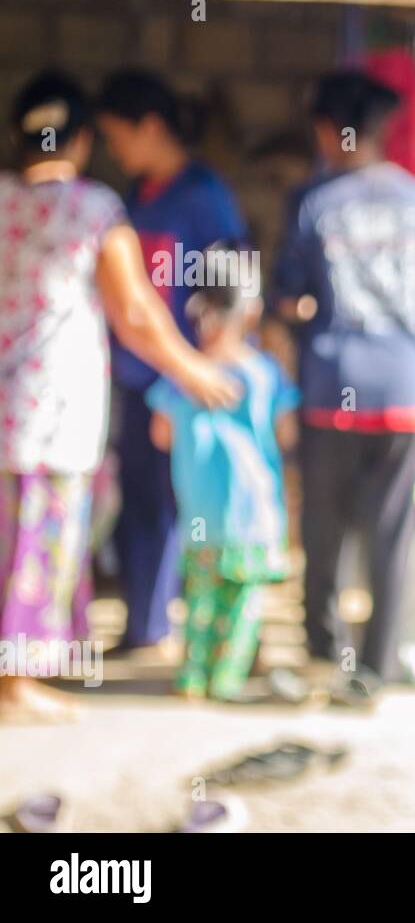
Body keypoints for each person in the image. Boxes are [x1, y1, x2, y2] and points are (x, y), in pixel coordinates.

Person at [0, 72, 237, 723]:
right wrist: (192, 369)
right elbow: (134, 308)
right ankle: (15, 685)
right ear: (79, 140)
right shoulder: (94, 207)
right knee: (38, 543)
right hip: (51, 412)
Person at [272, 71, 415, 698]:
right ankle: (377, 665)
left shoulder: (312, 202)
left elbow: (288, 297)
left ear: (328, 129)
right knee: (390, 533)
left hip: (333, 389)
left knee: (323, 528)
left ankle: (325, 653)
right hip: (408, 392)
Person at [95, 70, 250, 656]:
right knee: (142, 504)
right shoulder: (135, 197)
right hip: (141, 378)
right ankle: (147, 626)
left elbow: (234, 285)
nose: (114, 150)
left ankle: (208, 637)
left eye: (117, 135)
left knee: (198, 506)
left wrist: (212, 362)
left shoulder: (205, 197)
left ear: (150, 128)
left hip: (193, 384)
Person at [147, 244, 299, 702]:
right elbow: (286, 435)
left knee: (199, 599)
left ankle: (191, 676)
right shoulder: (265, 374)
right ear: (250, 312)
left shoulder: (181, 376)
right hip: (252, 515)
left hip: (199, 514)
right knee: (242, 602)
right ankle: (227, 678)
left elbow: (161, 435)